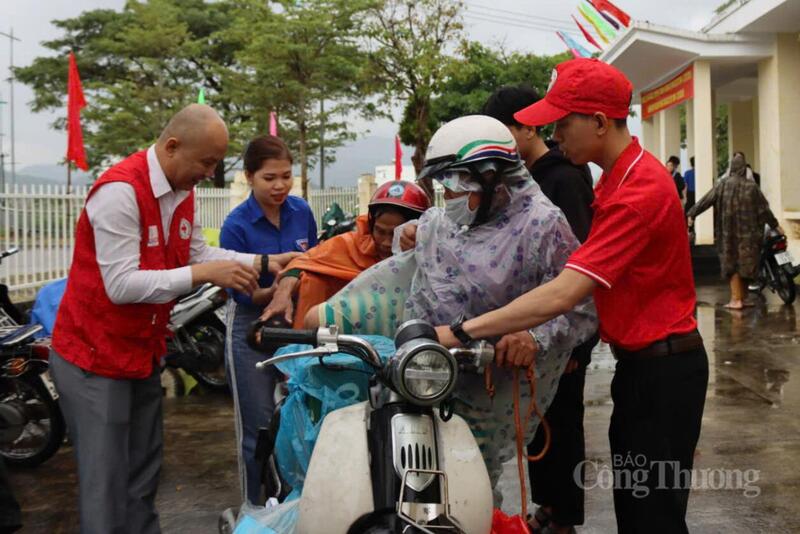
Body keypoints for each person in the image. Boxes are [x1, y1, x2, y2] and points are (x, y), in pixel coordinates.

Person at [434, 59, 709, 534]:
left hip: (663, 373)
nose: (555, 134)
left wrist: (461, 330)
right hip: (644, 367)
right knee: (643, 514)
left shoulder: (636, 192)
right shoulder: (619, 178)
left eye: (563, 122)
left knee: (652, 520)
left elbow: (565, 291)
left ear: (600, 122)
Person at [307, 115, 597, 505]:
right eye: (443, 185)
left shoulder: (543, 226)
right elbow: (412, 280)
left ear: (492, 177)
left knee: (470, 478)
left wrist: (533, 336)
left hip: (493, 379)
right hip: (427, 370)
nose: (448, 196)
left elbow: (580, 307)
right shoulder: (440, 224)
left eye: (457, 185)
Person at [48, 104, 291, 534]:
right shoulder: (119, 192)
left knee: (143, 476)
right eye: (207, 162)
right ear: (173, 146)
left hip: (141, 352)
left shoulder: (181, 192)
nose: (210, 173)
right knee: (105, 484)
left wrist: (267, 260)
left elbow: (197, 252)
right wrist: (202, 275)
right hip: (93, 356)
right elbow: (120, 285)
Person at [484, 85, 598, 534]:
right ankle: (548, 505)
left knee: (563, 423)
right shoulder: (526, 178)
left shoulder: (562, 179)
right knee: (539, 421)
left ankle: (564, 515)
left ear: (526, 126)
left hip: (565, 330)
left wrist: (576, 344)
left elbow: (581, 266)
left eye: (506, 131)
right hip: (536, 325)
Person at [219, 135, 315, 506]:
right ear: (249, 176)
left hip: (296, 326)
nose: (279, 186)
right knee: (257, 427)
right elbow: (241, 294)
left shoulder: (302, 211)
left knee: (302, 417)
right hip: (251, 327)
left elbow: (312, 264)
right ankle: (255, 510)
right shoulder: (236, 225)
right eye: (269, 178)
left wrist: (292, 287)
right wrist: (276, 289)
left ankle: (297, 505)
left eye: (286, 176)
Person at [261, 180, 430, 327]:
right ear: (371, 224)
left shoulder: (433, 256)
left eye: (395, 234)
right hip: (347, 344)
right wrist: (282, 295)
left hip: (413, 348)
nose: (386, 242)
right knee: (313, 280)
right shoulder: (351, 245)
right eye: (380, 231)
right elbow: (302, 264)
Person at [687, 152, 783, 309]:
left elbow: (706, 200)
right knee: (746, 264)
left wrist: (692, 213)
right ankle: (742, 298)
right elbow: (764, 210)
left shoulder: (723, 184)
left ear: (731, 168)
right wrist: (775, 225)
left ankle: (736, 300)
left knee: (732, 265)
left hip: (728, 233)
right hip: (750, 234)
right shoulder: (752, 187)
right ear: (744, 169)